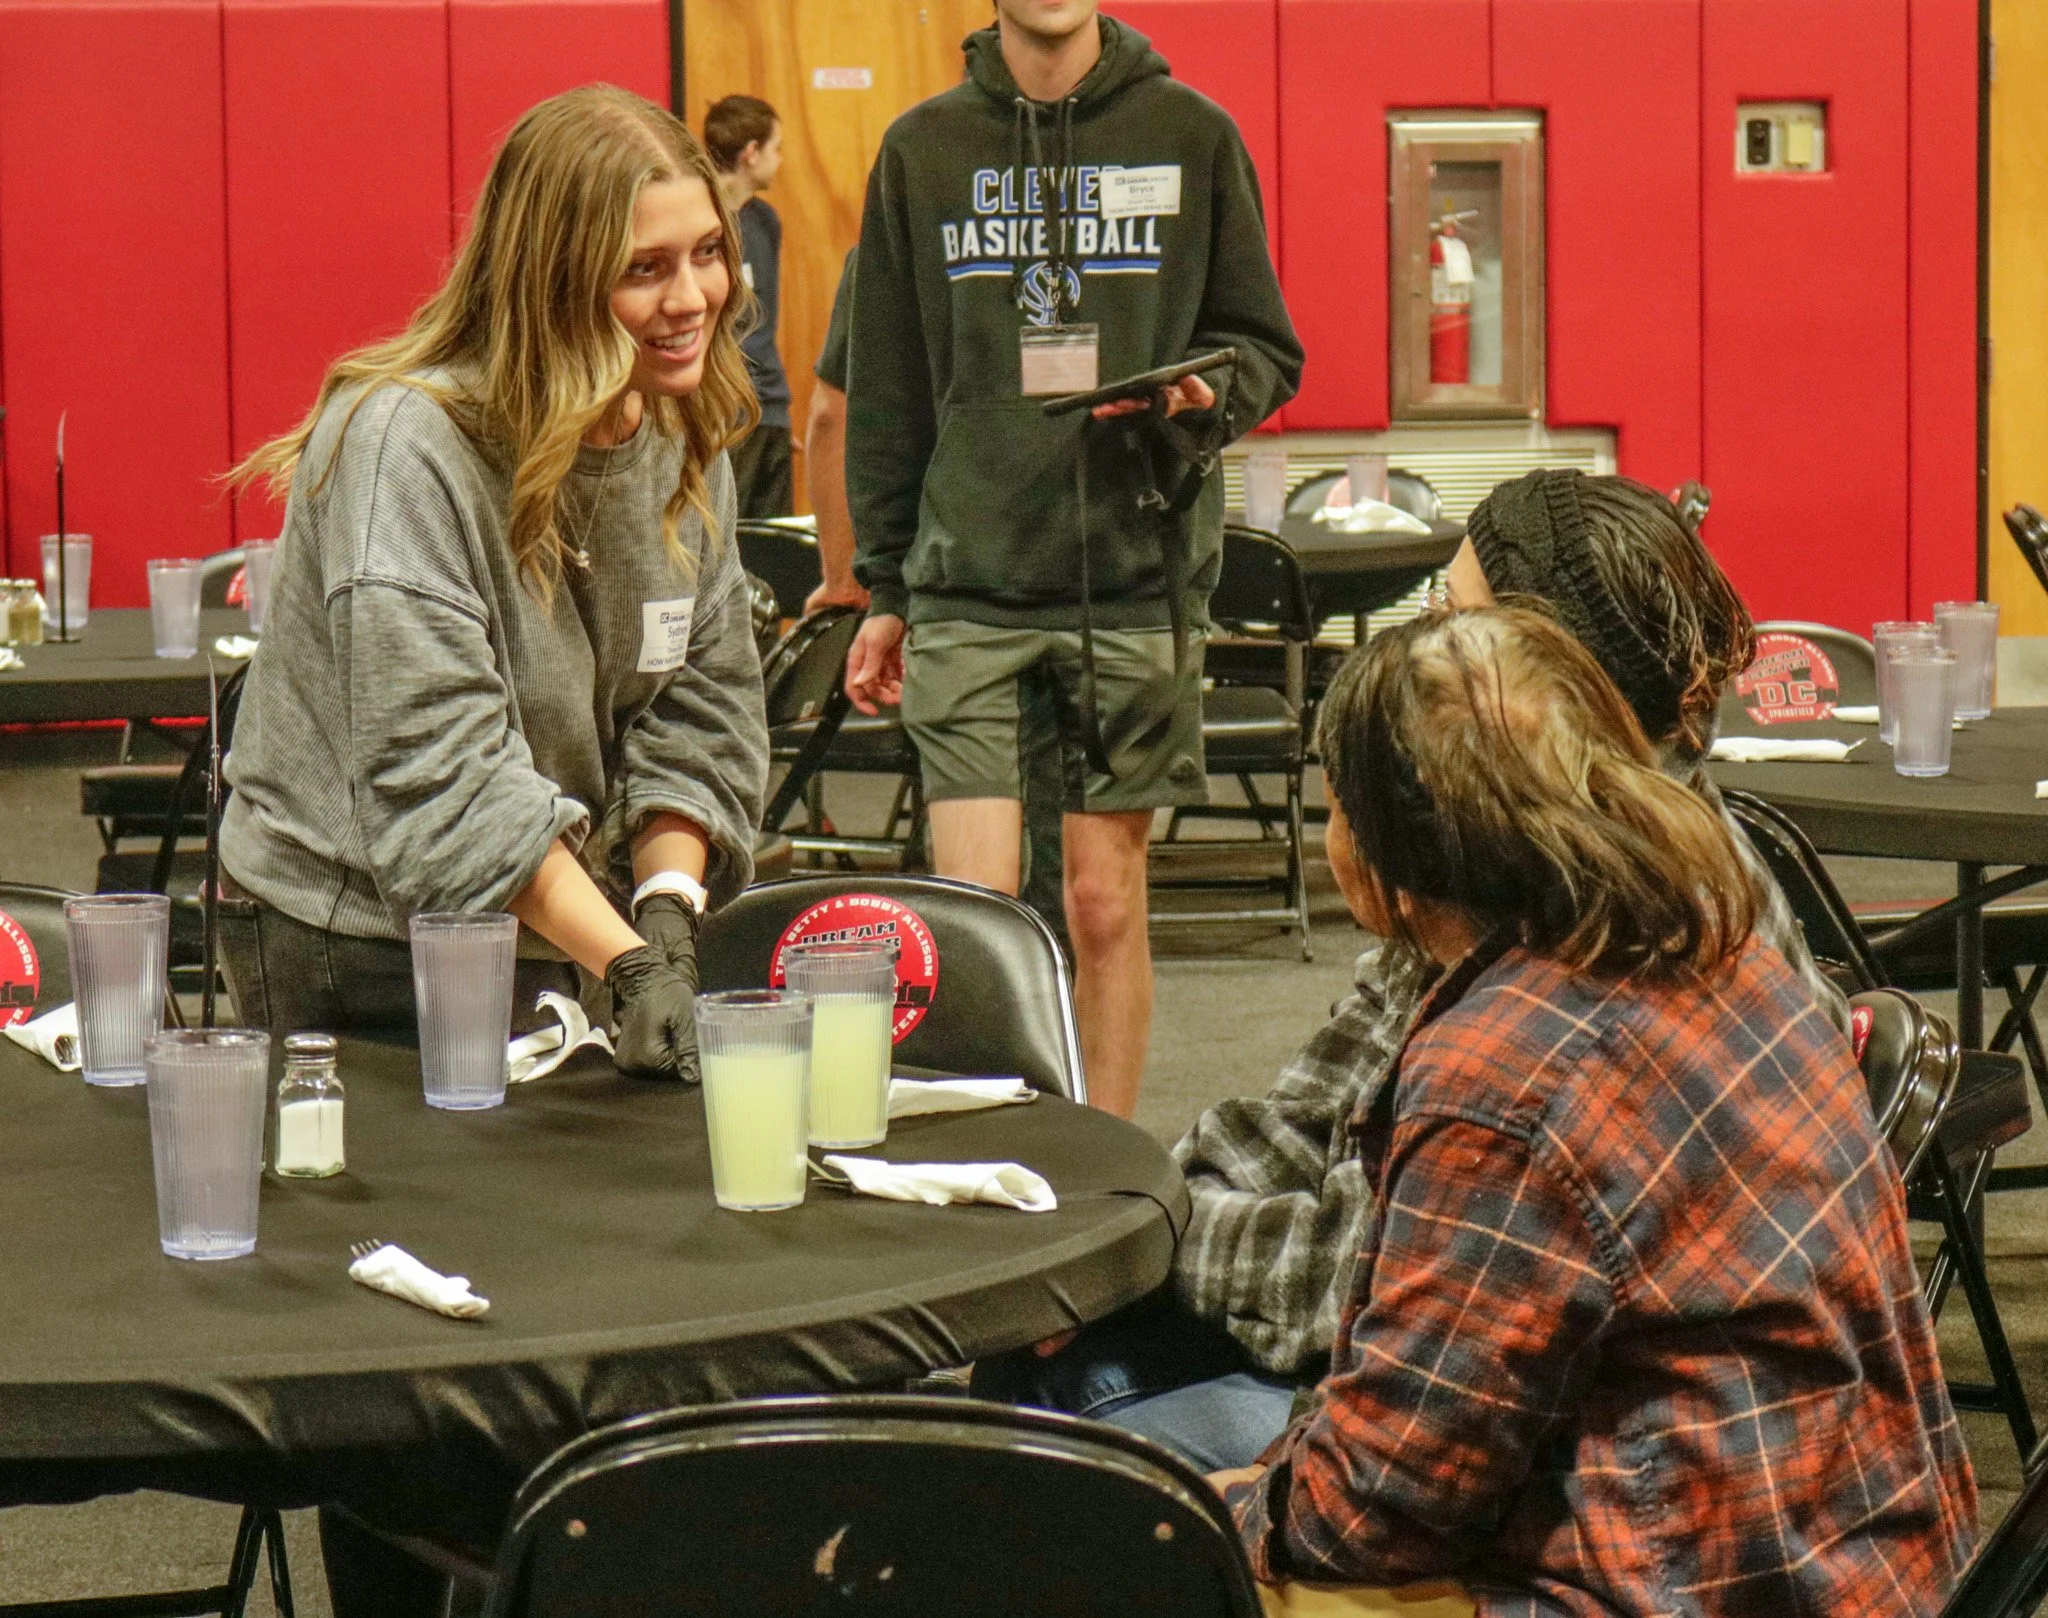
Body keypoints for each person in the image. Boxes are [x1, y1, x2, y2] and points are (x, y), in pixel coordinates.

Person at [973, 470, 1849, 1470]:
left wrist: (1150, 1248)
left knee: (1038, 1444)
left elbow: (1365, 1298)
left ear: (1528, 682)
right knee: (1038, 1374)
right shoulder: (1514, 847)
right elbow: (1305, 1109)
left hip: (1580, 1464)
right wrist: (1145, 1224)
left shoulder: (1595, 929)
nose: (1414, 650)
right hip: (1456, 1380)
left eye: (1448, 617)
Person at [220, 85, 769, 1614]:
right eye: (645, 269)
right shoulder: (411, 442)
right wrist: (620, 958)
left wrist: (662, 900)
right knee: (407, 1374)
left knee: (569, 1328)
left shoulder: (682, 444)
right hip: (346, 949)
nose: (692, 299)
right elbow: (438, 768)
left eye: (706, 255)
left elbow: (702, 708)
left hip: (550, 930)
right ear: (550, 272)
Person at [1216, 604, 1976, 1612]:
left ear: (1382, 846)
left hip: (1686, 1585)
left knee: (1117, 1519)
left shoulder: (1502, 1069)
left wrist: (1228, 1506)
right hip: (1875, 1569)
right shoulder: (1712, 932)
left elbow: (1371, 1512)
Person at [843, 0, 1304, 1118]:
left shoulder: (1194, 135)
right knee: (975, 909)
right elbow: (887, 388)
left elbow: (1264, 349)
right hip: (967, 586)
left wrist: (1207, 394)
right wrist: (885, 585)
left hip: (1133, 579)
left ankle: (1106, 1169)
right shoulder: (921, 150)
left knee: (1103, 905)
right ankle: (985, 1153)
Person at [705, 93, 793, 518]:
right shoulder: (703, 222)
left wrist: (771, 411)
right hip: (723, 412)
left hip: (768, 410)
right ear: (751, 153)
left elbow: (763, 326)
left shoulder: (765, 222)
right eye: (776, 148)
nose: (780, 159)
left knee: (774, 545)